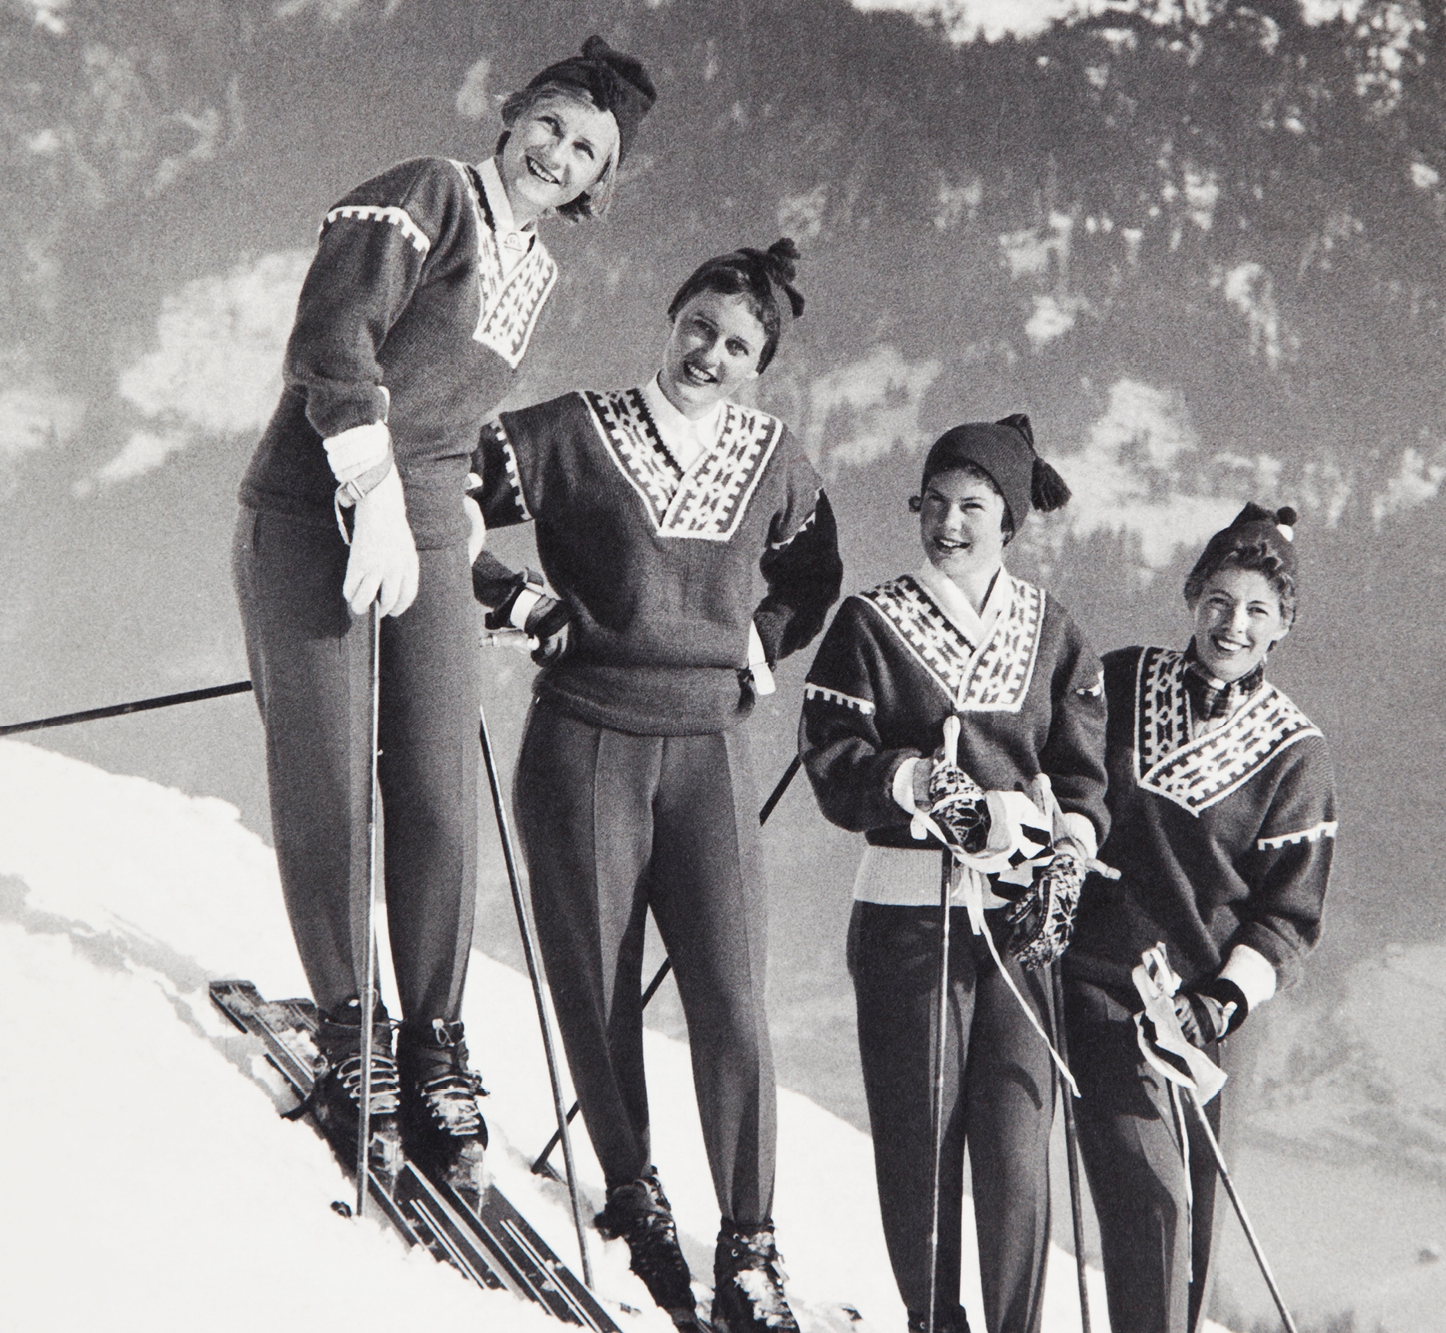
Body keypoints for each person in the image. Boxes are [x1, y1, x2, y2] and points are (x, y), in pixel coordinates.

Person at [230, 37, 655, 1190]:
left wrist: (479, 555)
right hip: (310, 512)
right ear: (513, 113)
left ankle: (432, 1041)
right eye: (551, 123)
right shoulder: (428, 194)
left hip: (416, 530)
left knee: (433, 787)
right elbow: (332, 340)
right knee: (330, 779)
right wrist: (367, 491)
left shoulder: (536, 270)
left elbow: (450, 431)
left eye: (587, 150)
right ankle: (348, 1026)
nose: (557, 154)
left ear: (598, 180)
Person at [468, 240, 841, 1333]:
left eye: (738, 347)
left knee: (731, 998)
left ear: (760, 365)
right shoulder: (571, 431)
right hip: (584, 741)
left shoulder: (775, 459)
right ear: (671, 319)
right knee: (597, 987)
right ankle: (633, 1197)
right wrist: (516, 599)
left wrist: (758, 644)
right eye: (698, 328)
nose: (709, 355)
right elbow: (438, 488)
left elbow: (814, 573)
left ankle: (749, 1246)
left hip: (708, 751)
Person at [799, 417, 1110, 1333]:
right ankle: (933, 1317)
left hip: (1019, 922)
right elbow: (832, 755)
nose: (948, 523)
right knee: (919, 1132)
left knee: (1016, 1144)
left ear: (1009, 519)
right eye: (933, 502)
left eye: (972, 506)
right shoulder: (870, 623)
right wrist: (916, 782)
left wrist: (1070, 854)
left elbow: (1085, 778)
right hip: (908, 912)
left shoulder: (1054, 631)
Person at [1059, 503, 1336, 1333]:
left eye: (1257, 609)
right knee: (1153, 1206)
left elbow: (1288, 916)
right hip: (1104, 989)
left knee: (1200, 1235)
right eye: (1219, 600)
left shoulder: (1296, 753)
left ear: (1284, 624)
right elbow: (1057, 773)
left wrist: (1219, 1002)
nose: (1233, 624)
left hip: (1212, 1015)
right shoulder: (1117, 680)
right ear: (1191, 597)